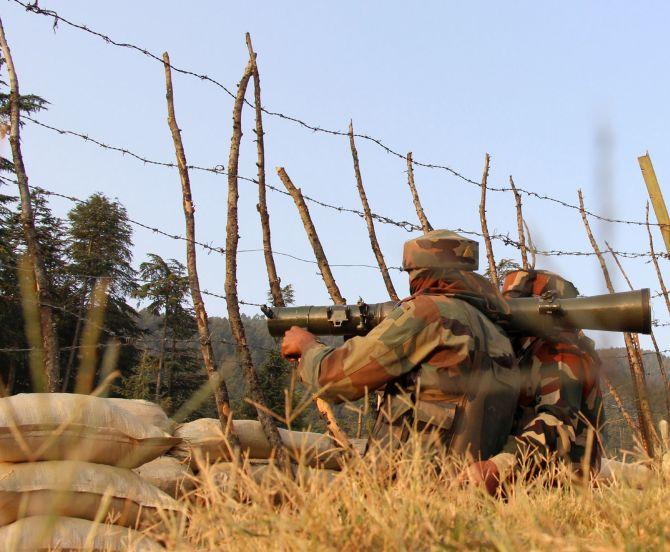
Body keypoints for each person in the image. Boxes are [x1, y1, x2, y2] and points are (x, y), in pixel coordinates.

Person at [281, 230, 520, 461]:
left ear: (420, 272)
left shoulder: (429, 312)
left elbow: (335, 380)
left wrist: (308, 347)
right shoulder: (495, 331)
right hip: (468, 490)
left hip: (416, 484)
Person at [467, 269, 605, 493]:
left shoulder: (559, 351)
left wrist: (497, 466)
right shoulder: (525, 349)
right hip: (527, 480)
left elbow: (556, 423)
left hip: (558, 488)